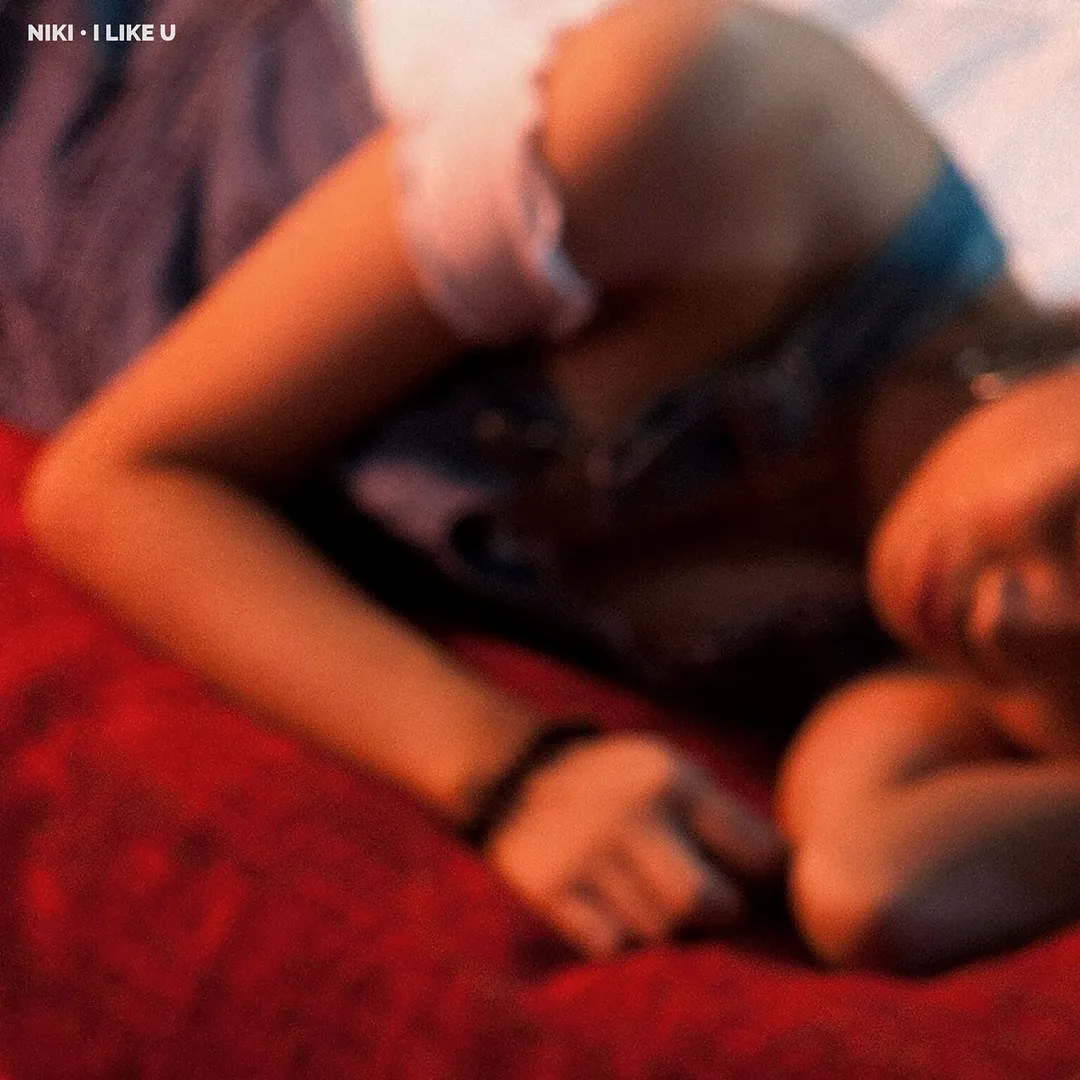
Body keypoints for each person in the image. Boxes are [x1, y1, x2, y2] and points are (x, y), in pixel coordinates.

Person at [17, 0, 1080, 963]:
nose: (1015, 621)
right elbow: (116, 481)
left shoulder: (949, 657)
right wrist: (515, 772)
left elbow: (875, 887)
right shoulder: (721, 126)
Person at [778, 357, 1080, 972]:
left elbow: (874, 888)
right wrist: (555, 769)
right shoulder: (818, 309)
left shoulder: (932, 685)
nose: (1004, 627)